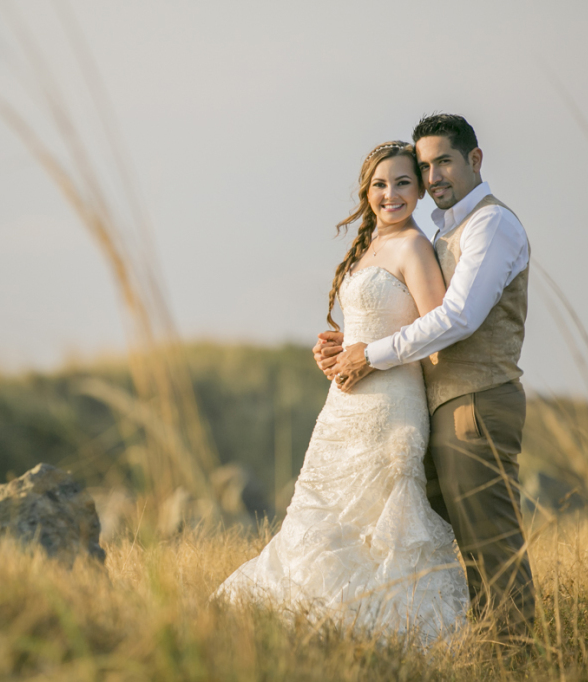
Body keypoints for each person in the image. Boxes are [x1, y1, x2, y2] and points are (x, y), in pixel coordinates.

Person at [212, 140, 469, 646]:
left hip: (391, 407)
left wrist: (369, 354)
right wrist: (335, 349)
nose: (390, 194)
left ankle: (388, 639)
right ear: (366, 190)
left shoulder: (414, 247)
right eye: (379, 184)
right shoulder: (371, 242)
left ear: (419, 189)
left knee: (381, 531)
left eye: (401, 183)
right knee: (322, 521)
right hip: (344, 408)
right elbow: (370, 323)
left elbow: (437, 331)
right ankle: (317, 632)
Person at [315, 113, 536, 641]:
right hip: (430, 407)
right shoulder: (443, 230)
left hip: (476, 401)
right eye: (427, 165)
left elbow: (458, 318)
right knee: (435, 537)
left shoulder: (491, 224)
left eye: (444, 163)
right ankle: (457, 643)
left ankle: (517, 655)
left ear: (474, 160)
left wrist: (371, 354)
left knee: (489, 539)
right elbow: (414, 316)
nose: (434, 176)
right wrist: (347, 347)